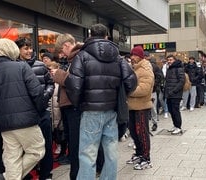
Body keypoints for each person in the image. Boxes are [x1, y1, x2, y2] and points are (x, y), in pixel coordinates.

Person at [64, 24, 137, 179]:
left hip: (90, 111)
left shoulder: (82, 56)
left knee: (88, 154)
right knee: (111, 153)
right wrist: (119, 96)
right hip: (112, 111)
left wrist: (80, 103)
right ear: (106, 36)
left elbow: (74, 85)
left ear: (90, 35)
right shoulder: (118, 57)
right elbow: (131, 82)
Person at [0, 38, 45, 180]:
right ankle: (9, 176)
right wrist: (39, 112)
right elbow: (37, 93)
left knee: (12, 157)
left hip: (4, 123)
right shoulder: (22, 67)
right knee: (37, 151)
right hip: (26, 120)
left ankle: (11, 176)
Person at [15, 37, 54, 180]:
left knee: (46, 144)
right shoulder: (14, 66)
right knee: (25, 147)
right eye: (26, 48)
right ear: (18, 50)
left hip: (42, 112)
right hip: (24, 114)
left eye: (31, 48)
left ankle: (46, 174)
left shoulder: (40, 65)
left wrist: (45, 96)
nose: (29, 51)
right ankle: (25, 175)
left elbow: (50, 83)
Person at [52, 33, 83, 179]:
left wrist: (58, 74)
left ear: (66, 45)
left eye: (61, 51)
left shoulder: (78, 58)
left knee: (76, 144)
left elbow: (75, 83)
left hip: (75, 106)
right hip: (74, 106)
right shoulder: (77, 57)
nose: (62, 54)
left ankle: (76, 175)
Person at [125, 45, 153, 170]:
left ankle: (146, 158)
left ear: (140, 56)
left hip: (141, 106)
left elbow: (144, 89)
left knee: (142, 133)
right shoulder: (135, 68)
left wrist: (127, 91)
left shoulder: (145, 69)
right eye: (131, 55)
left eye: (135, 55)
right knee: (134, 132)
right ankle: (139, 153)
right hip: (132, 106)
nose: (132, 58)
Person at [164, 54, 185, 134]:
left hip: (176, 94)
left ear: (174, 60)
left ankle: (178, 127)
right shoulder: (169, 69)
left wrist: (174, 91)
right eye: (168, 60)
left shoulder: (179, 69)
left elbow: (182, 81)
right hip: (169, 94)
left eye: (171, 60)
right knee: (171, 110)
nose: (169, 61)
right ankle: (175, 125)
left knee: (175, 111)